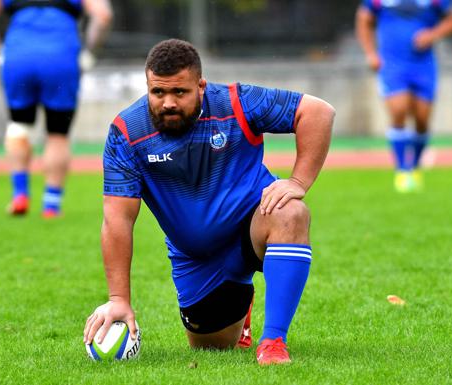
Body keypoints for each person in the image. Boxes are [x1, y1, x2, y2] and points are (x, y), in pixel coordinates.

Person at [82, 39, 335, 365]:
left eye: (180, 93)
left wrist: (298, 181)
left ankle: (273, 341)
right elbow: (117, 220)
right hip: (196, 259)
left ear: (200, 86)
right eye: (158, 93)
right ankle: (239, 314)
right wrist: (119, 299)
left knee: (292, 213)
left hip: (255, 225)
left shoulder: (237, 101)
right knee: (211, 349)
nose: (168, 103)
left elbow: (316, 112)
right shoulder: (126, 133)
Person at [0, 0, 113, 217]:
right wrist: (89, 52)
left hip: (18, 57)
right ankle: (51, 204)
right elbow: (103, 15)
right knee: (57, 134)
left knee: (19, 126)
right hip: (61, 58)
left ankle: (20, 194)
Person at [356, 0, 452, 192]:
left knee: (422, 119)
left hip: (423, 66)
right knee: (399, 110)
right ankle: (402, 170)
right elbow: (364, 19)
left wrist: (433, 34)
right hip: (392, 65)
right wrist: (371, 53)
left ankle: (415, 165)